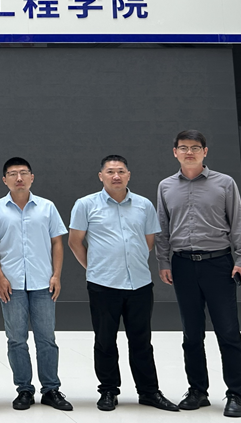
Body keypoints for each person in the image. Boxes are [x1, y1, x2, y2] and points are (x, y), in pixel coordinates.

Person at [68, 155, 178, 413]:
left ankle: (149, 392)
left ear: (129, 175)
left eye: (120, 171)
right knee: (105, 341)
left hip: (139, 284)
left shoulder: (144, 205)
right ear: (101, 176)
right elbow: (75, 241)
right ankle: (108, 391)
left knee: (142, 341)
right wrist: (95, 267)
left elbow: (148, 242)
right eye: (110, 171)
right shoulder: (85, 204)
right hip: (103, 285)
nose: (115, 176)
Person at [157, 130, 241, 418]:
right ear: (175, 152)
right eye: (183, 147)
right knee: (191, 333)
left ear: (205, 151)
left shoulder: (224, 183)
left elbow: (238, 223)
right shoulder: (165, 186)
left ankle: (236, 395)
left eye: (195, 147)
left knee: (228, 332)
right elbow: (162, 227)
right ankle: (198, 391)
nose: (189, 152)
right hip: (183, 265)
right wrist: (164, 261)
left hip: (218, 264)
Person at [0, 157, 71, 412]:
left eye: (23, 173)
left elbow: (57, 242)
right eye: (13, 174)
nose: (18, 178)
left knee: (47, 338)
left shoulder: (47, 207)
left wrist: (56, 275)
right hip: (11, 284)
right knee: (16, 339)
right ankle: (24, 389)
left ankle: (51, 389)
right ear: (5, 180)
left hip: (43, 282)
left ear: (32, 177)